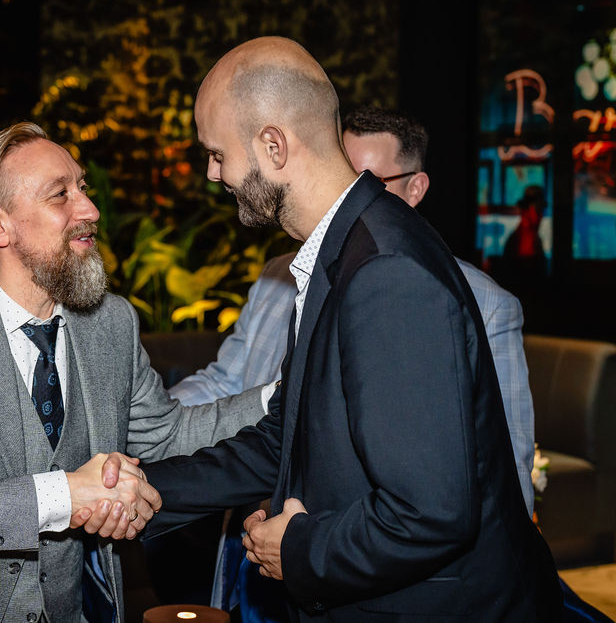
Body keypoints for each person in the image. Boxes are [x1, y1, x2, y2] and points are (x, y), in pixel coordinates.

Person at [141, 36, 562, 620]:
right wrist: (144, 494)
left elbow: (431, 513)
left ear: (273, 145)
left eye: (217, 153)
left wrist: (297, 548)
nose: (214, 173)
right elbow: (286, 436)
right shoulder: (344, 248)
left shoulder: (385, 270)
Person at [0, 122, 267, 623]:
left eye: (82, 187)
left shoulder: (110, 323)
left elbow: (168, 433)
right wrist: (64, 493)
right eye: (60, 194)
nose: (90, 210)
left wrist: (287, 391)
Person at [173, 105, 536, 517]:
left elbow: (504, 469)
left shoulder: (484, 302)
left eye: (370, 182)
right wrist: (140, 421)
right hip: (249, 520)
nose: (349, 195)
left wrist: (305, 543)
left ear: (415, 189)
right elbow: (229, 384)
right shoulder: (279, 276)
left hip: (363, 538)